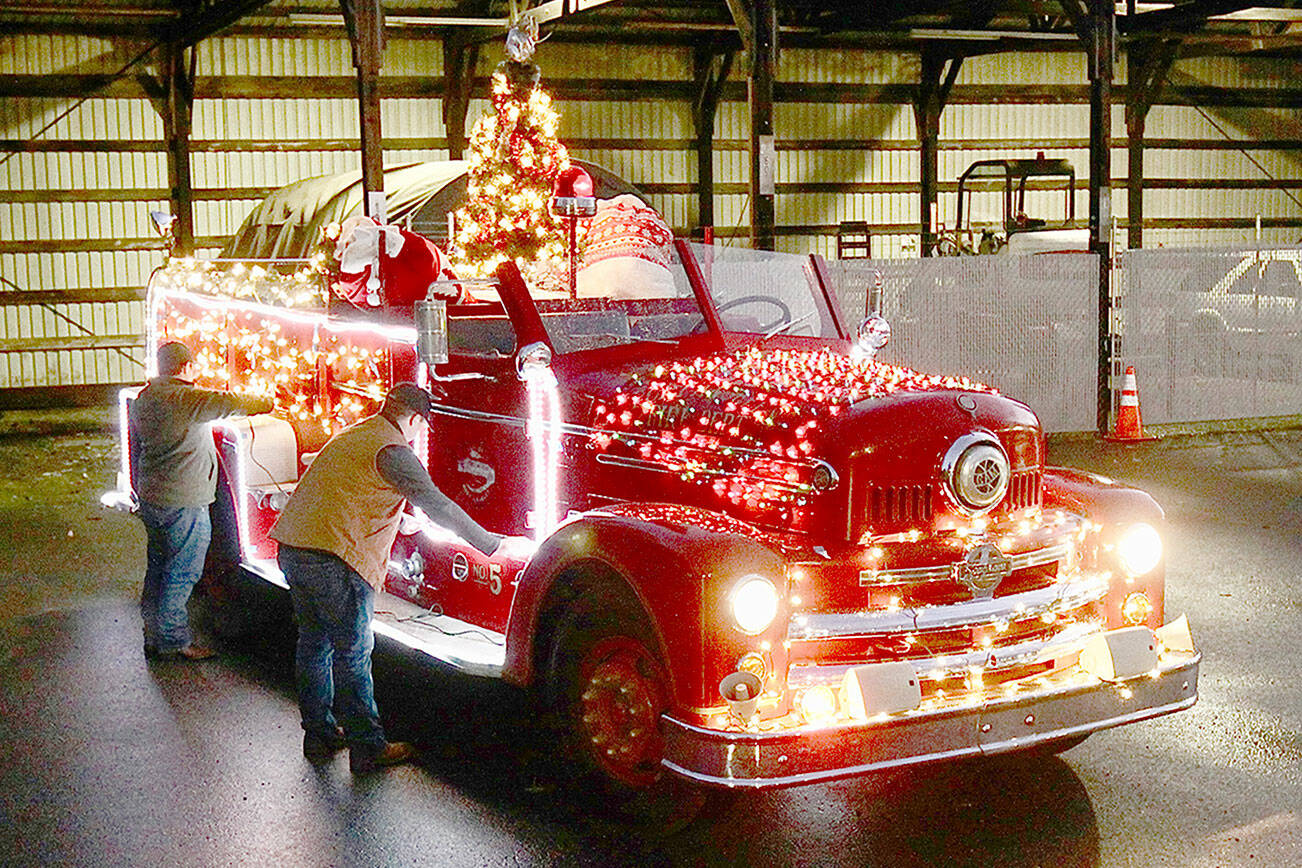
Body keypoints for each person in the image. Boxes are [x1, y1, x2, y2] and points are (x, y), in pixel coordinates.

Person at [270, 383, 505, 773]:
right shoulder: (393, 450)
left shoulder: (358, 432)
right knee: (353, 653)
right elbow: (438, 504)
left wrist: (399, 518)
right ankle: (367, 747)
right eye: (420, 427)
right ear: (414, 419)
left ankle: (319, 734)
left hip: (295, 547)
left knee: (314, 645)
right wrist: (490, 544)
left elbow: (349, 491)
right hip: (334, 560)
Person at [130, 340, 274, 661]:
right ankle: (173, 640)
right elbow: (229, 403)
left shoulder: (145, 398)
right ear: (186, 368)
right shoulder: (185, 399)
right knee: (182, 571)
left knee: (158, 567)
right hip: (184, 499)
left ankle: (152, 633)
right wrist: (267, 400)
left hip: (153, 496)